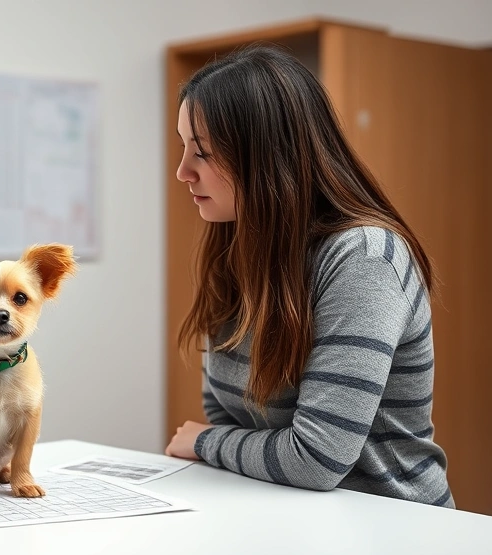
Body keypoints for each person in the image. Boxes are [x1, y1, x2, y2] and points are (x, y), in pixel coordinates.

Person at [163, 44, 453, 508]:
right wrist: (217, 440)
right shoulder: (238, 247)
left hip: (394, 526)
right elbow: (227, 412)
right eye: (183, 147)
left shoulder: (364, 257)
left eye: (202, 152)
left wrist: (204, 443)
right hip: (296, 516)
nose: (183, 172)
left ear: (267, 155)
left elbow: (316, 459)